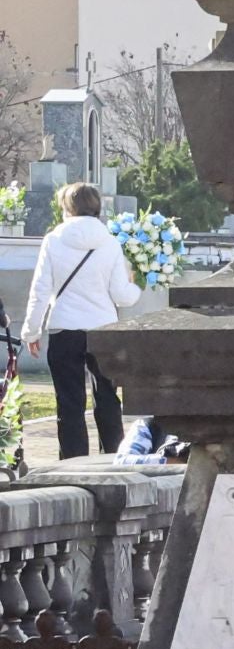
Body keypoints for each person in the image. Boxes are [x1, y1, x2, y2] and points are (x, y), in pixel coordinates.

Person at [22, 182, 141, 460]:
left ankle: (73, 460)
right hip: (103, 329)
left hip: (65, 328)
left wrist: (31, 331)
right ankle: (112, 455)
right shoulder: (110, 242)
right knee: (108, 398)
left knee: (69, 401)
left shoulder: (53, 240)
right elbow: (122, 296)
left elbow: (40, 290)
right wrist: (135, 285)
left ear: (68, 207)